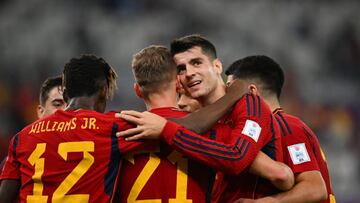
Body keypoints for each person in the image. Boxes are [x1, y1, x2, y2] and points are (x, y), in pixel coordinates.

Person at [117, 35, 291, 202]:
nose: (189, 73)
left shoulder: (249, 103)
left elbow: (238, 158)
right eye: (181, 69)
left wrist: (165, 129)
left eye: (196, 63)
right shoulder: (194, 114)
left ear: (217, 66)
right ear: (177, 81)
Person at [0, 54, 159, 203]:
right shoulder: (112, 127)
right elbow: (165, 124)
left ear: (65, 94)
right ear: (103, 92)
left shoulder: (22, 137)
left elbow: (5, 197)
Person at [225, 55, 335, 203]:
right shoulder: (263, 130)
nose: (226, 98)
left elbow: (315, 188)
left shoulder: (288, 127)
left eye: (231, 90)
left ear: (252, 91)